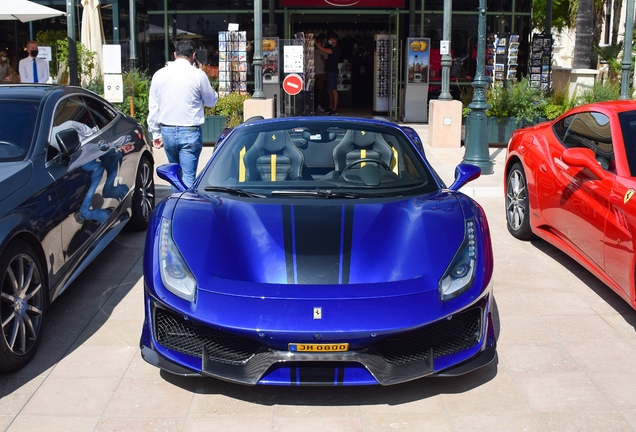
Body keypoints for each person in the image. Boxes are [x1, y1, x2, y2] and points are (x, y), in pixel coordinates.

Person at [147, 39, 218, 189]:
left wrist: (155, 133)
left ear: (175, 54)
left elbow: (154, 107)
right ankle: (185, 208)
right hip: (190, 131)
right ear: (194, 55)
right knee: (188, 177)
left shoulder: (159, 75)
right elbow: (211, 101)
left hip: (167, 131)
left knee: (174, 176)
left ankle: (175, 207)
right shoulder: (198, 75)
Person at [314, 33, 341, 115]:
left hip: (333, 72)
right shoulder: (332, 48)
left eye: (330, 39)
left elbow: (323, 50)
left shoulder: (336, 49)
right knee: (329, 90)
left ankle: (335, 109)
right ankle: (330, 107)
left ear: (334, 39)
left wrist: (315, 43)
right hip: (329, 71)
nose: (329, 41)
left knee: (334, 90)